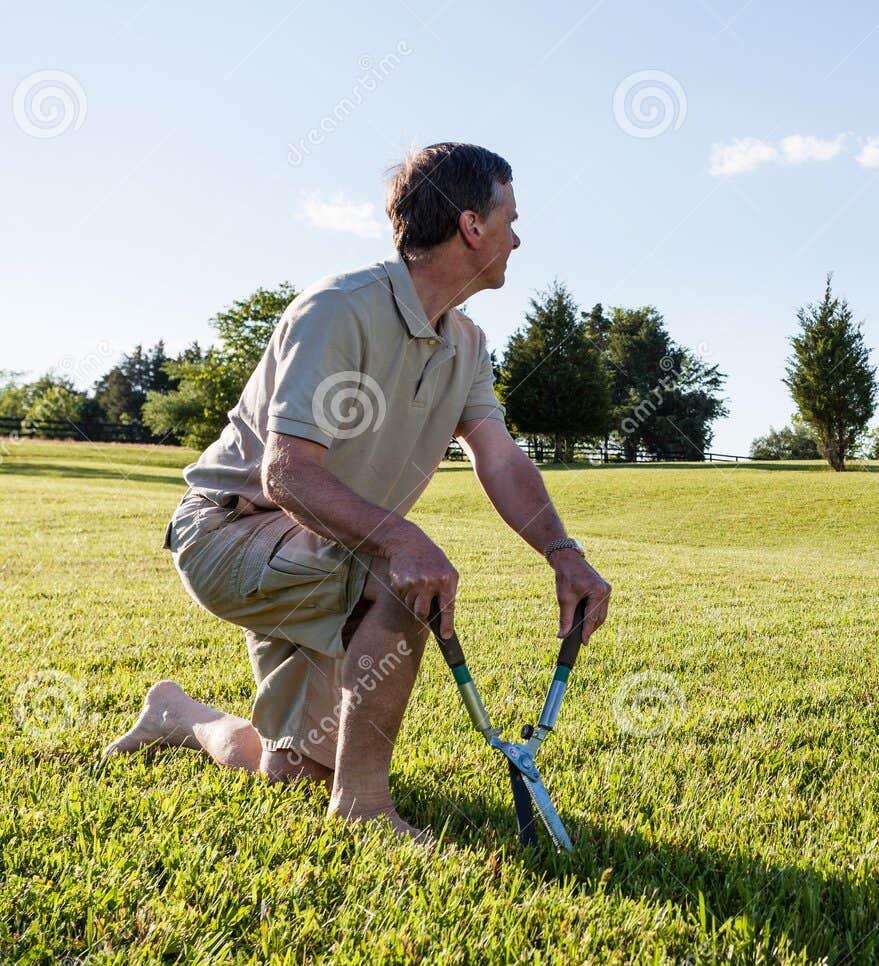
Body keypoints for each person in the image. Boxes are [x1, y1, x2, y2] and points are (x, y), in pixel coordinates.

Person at [104, 142, 611, 841]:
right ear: (471, 225)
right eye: (510, 220)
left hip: (323, 547)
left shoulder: (466, 341)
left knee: (293, 771)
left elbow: (498, 456)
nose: (517, 238)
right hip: (228, 532)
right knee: (402, 580)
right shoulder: (339, 309)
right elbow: (286, 473)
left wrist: (562, 550)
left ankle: (175, 714)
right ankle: (365, 807)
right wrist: (401, 537)